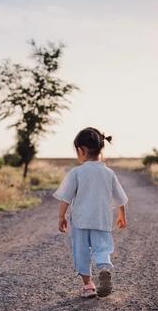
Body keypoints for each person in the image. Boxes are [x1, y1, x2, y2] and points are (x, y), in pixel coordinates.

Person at [53, 127, 128, 298]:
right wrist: (122, 215)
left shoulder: (77, 172)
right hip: (101, 219)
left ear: (81, 151)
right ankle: (104, 268)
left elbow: (66, 197)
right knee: (102, 248)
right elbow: (119, 198)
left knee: (81, 252)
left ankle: (88, 285)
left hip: (80, 221)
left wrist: (61, 217)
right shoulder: (108, 173)